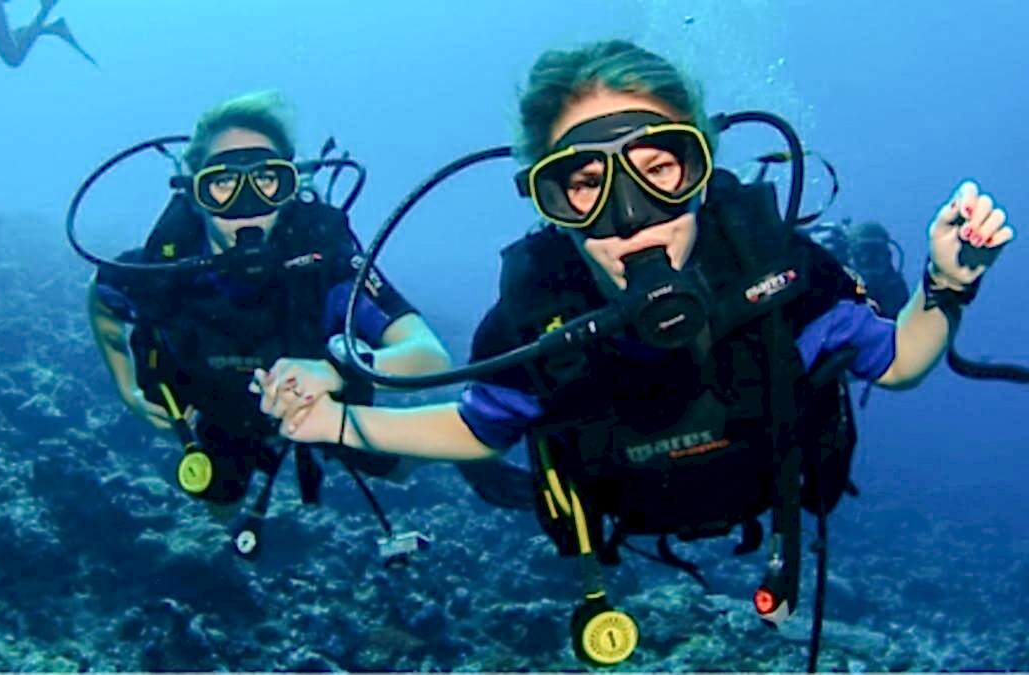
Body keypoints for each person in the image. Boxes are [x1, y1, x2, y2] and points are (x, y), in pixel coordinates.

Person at [256, 40, 1015, 667]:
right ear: (547, 203)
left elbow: (898, 361)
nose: (628, 219)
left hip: (770, 494)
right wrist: (334, 425)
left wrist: (945, 284)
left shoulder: (782, 272)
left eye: (658, 169)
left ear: (703, 170)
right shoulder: (535, 314)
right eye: (584, 184)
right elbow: (480, 424)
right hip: (624, 518)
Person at [85, 92, 455, 562]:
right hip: (218, 411)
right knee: (218, 505)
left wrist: (337, 371)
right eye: (222, 184)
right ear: (193, 195)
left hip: (323, 407)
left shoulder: (326, 268)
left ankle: (477, 447)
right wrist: (129, 392)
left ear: (291, 186)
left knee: (399, 466)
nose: (247, 205)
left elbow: (428, 352)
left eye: (266, 180)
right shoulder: (163, 271)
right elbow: (100, 297)